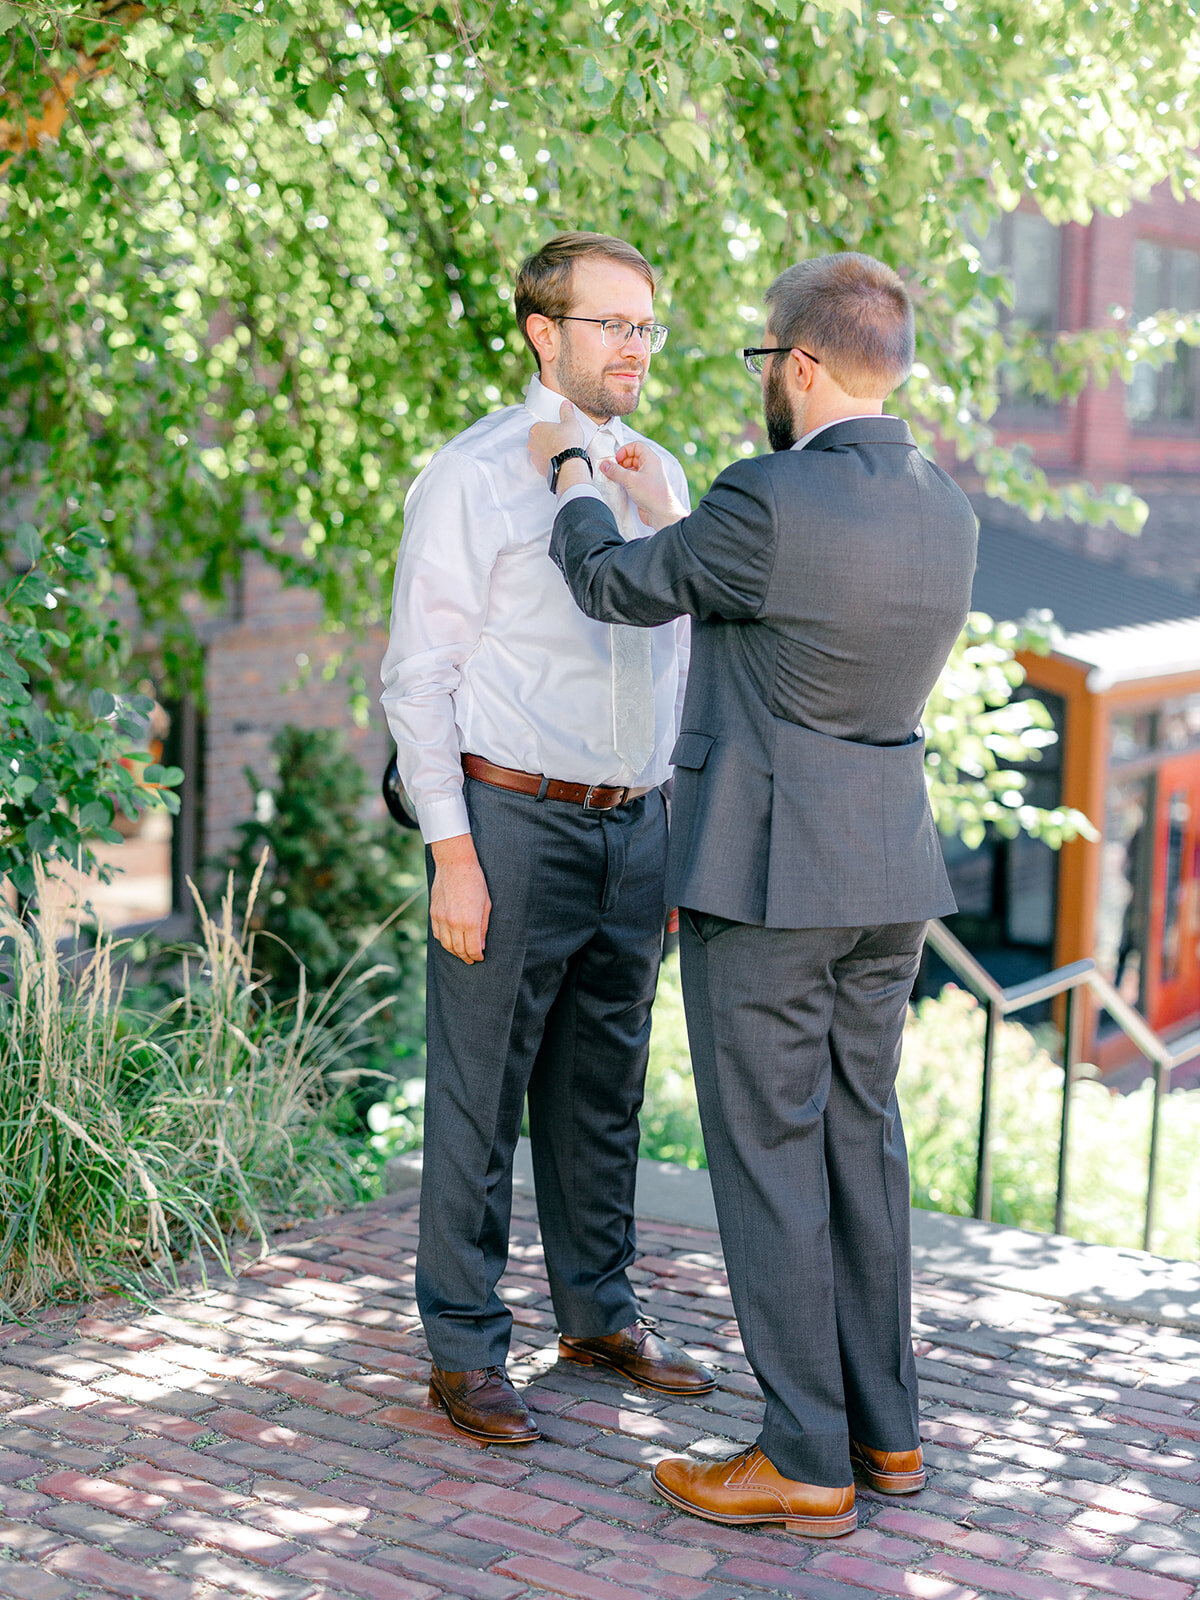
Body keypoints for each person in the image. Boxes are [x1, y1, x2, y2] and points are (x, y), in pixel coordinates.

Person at [530, 252, 977, 1530]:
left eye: (758, 365)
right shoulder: (946, 505)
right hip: (889, 872)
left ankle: (803, 1456)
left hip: (771, 877)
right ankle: (886, 1439)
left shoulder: (767, 496)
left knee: (769, 1158)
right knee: (858, 1145)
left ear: (796, 364)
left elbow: (615, 586)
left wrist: (575, 480)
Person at [380, 231, 715, 1446]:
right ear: (544, 333)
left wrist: (668, 830)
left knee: (603, 1090)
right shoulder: (473, 477)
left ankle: (600, 1313)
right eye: (612, 324)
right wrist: (453, 853)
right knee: (481, 1100)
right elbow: (418, 678)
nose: (636, 347)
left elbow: (680, 659)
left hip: (635, 830)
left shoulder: (661, 472)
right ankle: (466, 1349)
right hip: (511, 821)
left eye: (647, 327)